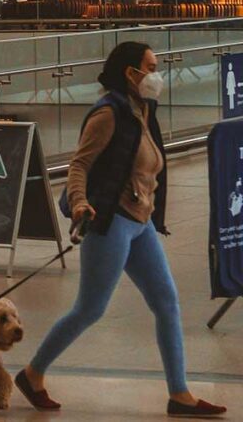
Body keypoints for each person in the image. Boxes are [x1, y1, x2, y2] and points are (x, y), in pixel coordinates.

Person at [15, 42, 227, 418]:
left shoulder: (142, 109)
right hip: (110, 222)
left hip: (139, 223)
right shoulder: (108, 114)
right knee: (90, 309)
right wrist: (80, 203)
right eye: (151, 66)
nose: (156, 74)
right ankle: (32, 374)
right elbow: (78, 166)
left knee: (166, 302)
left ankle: (179, 395)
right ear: (131, 73)